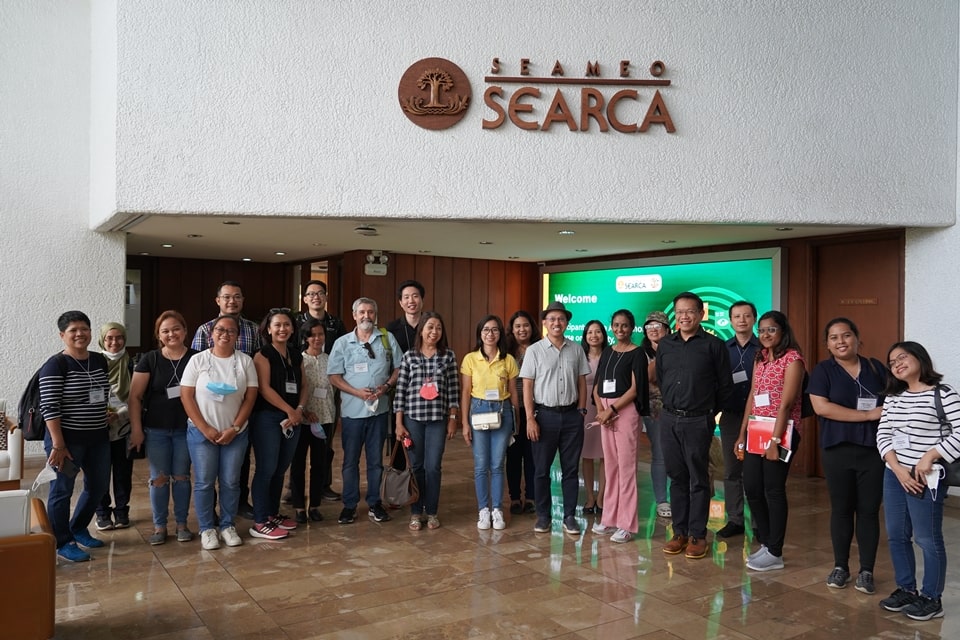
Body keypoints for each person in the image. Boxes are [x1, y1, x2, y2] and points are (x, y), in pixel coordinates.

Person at [876, 341, 960, 621]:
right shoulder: (894, 397)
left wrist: (930, 457)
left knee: (927, 538)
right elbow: (883, 434)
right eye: (892, 361)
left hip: (928, 476)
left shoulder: (943, 394)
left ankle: (931, 599)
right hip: (896, 474)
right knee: (897, 536)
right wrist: (897, 468)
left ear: (919, 358)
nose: (897, 363)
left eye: (903, 357)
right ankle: (907, 590)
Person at [808, 318, 886, 593]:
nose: (841, 341)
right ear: (827, 344)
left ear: (857, 338)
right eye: (833, 337)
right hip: (837, 449)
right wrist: (866, 415)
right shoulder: (822, 371)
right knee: (841, 510)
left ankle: (867, 570)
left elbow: (894, 401)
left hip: (873, 452)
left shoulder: (876, 368)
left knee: (868, 511)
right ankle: (841, 566)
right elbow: (822, 407)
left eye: (846, 335)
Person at [657, 292, 732, 560]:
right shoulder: (666, 344)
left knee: (699, 479)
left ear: (701, 314)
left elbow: (725, 386)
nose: (684, 316)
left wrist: (709, 415)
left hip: (698, 420)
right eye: (679, 312)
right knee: (676, 477)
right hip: (669, 418)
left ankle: (698, 535)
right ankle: (679, 532)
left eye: (690, 311)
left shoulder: (714, 346)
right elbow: (663, 377)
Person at [180, 315, 258, 550]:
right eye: (220, 330)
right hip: (201, 434)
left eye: (231, 331)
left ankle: (227, 525)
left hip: (235, 433)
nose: (225, 334)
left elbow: (250, 397)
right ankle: (206, 528)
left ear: (238, 335)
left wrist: (234, 428)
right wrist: (205, 429)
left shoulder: (245, 361)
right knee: (204, 482)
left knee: (231, 482)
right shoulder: (198, 360)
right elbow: (186, 396)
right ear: (211, 333)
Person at [735, 311, 804, 572]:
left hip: (781, 431)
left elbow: (786, 404)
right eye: (762, 330)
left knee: (773, 489)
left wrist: (775, 440)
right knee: (752, 486)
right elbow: (753, 395)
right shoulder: (760, 358)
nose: (765, 335)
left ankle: (775, 551)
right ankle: (765, 542)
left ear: (783, 331)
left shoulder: (793, 360)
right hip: (757, 429)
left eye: (771, 330)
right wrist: (742, 433)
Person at [40, 310, 112, 562]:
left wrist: (108, 412)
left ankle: (78, 528)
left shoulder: (99, 360)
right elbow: (50, 407)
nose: (80, 334)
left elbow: (103, 393)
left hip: (98, 438)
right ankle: (62, 541)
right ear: (62, 335)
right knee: (62, 490)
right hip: (67, 441)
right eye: (73, 330)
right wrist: (58, 444)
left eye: (84, 329)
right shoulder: (55, 365)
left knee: (98, 486)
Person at [327, 297, 403, 525]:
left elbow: (399, 367)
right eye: (362, 312)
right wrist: (356, 392)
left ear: (375, 314)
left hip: (379, 412)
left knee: (375, 462)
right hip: (352, 413)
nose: (366, 316)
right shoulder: (342, 343)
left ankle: (374, 503)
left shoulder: (387, 339)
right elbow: (333, 376)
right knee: (350, 461)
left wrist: (387, 386)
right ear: (354, 315)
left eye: (370, 312)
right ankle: (349, 506)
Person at [191, 280, 262, 519]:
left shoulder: (253, 329)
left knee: (239, 465)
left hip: (240, 405)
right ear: (218, 300)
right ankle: (208, 515)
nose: (232, 301)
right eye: (227, 297)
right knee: (206, 472)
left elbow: (256, 365)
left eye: (237, 297)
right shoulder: (205, 329)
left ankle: (239, 504)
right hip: (207, 410)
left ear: (243, 300)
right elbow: (196, 369)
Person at [520, 301, 591, 536]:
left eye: (561, 319)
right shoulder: (534, 351)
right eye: (552, 319)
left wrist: (581, 411)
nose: (556, 323)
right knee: (541, 470)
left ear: (567, 322)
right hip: (544, 416)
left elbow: (582, 381)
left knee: (571, 470)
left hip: (571, 416)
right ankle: (543, 516)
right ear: (544, 323)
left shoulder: (576, 349)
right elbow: (527, 386)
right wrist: (530, 418)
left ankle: (569, 516)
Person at [128, 310, 198, 545]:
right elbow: (135, 397)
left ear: (185, 331)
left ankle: (181, 524)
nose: (172, 334)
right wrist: (137, 430)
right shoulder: (151, 359)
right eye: (165, 331)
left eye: (176, 329)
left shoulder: (197, 357)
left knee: (181, 477)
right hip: (156, 430)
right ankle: (159, 526)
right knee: (158, 478)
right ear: (159, 335)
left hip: (186, 429)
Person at [249, 309, 311, 540]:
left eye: (286, 325)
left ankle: (272, 514)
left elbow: (304, 386)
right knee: (266, 469)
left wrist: (300, 410)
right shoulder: (261, 355)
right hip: (268, 417)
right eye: (277, 325)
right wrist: (289, 410)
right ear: (268, 329)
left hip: (293, 418)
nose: (282, 329)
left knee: (279, 469)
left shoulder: (297, 355)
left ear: (293, 328)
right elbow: (264, 388)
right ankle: (260, 520)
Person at [394, 312, 460, 530]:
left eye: (438, 328)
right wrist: (398, 423)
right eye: (430, 327)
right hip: (413, 420)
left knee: (433, 467)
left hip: (437, 421)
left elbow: (453, 390)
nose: (434, 332)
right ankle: (415, 511)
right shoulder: (409, 357)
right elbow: (400, 391)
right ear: (421, 330)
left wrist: (452, 418)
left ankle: (431, 512)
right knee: (417, 467)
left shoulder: (448, 356)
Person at [591, 310, 649, 543]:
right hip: (604, 411)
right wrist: (600, 411)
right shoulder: (607, 351)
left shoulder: (637, 354)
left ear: (631, 328)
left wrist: (611, 411)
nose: (620, 329)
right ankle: (609, 518)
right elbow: (596, 387)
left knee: (626, 469)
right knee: (611, 467)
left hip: (624, 412)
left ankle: (626, 525)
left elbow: (635, 389)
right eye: (616, 325)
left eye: (624, 326)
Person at [461, 315, 519, 531]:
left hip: (502, 412)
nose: (490, 334)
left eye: (495, 330)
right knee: (480, 465)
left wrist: (516, 423)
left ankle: (497, 509)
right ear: (480, 333)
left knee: (497, 465)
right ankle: (483, 510)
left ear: (500, 334)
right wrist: (464, 424)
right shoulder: (470, 359)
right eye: (486, 330)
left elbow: (514, 393)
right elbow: (466, 392)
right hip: (478, 411)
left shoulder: (508, 360)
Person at [296, 279, 347, 502]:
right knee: (297, 448)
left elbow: (344, 350)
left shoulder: (336, 323)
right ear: (305, 298)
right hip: (301, 387)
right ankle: (294, 489)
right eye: (311, 294)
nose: (316, 297)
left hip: (329, 389)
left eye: (320, 293)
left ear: (326, 297)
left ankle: (323, 485)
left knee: (325, 445)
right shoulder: (296, 321)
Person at [716, 301, 760, 539]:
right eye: (736, 316)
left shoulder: (764, 348)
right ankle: (735, 520)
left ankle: (758, 523)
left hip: (760, 417)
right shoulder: (722, 349)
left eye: (746, 316)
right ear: (730, 321)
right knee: (732, 470)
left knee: (756, 472)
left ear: (754, 318)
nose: (742, 320)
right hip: (732, 416)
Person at [292, 317, 336, 523]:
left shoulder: (331, 358)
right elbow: (298, 390)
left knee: (319, 464)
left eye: (320, 334)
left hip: (325, 417)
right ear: (305, 338)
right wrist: (304, 411)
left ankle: (315, 505)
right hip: (303, 419)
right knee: (298, 463)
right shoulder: (299, 359)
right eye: (313, 335)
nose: (317, 338)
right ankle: (299, 507)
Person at [94, 322, 136, 532]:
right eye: (109, 338)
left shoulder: (133, 363)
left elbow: (139, 398)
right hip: (97, 426)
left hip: (124, 426)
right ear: (102, 339)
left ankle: (122, 511)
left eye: (119, 337)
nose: (114, 342)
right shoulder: (93, 363)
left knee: (122, 472)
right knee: (99, 472)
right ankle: (102, 512)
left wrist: (119, 414)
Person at [640, 311, 671, 518]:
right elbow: (647, 377)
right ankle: (662, 500)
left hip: (679, 409)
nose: (653, 328)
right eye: (649, 325)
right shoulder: (640, 353)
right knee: (659, 455)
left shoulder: (678, 348)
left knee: (678, 456)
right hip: (654, 412)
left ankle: (680, 496)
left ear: (667, 329)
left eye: (657, 325)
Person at [506, 310, 537, 515]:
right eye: (517, 326)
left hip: (535, 410)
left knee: (532, 456)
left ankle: (532, 497)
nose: (522, 329)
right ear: (512, 329)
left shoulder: (540, 348)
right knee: (513, 456)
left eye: (525, 325)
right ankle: (515, 498)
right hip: (511, 410)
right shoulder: (506, 352)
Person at [580, 320, 607, 514]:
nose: (594, 335)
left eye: (598, 332)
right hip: (585, 409)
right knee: (587, 455)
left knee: (605, 455)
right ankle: (590, 497)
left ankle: (602, 498)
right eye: (590, 332)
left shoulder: (610, 355)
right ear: (585, 335)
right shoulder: (580, 356)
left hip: (605, 407)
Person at [386, 279, 426, 354]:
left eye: (415, 296)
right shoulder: (391, 328)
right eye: (406, 297)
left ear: (422, 300)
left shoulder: (432, 325)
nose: (411, 301)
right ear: (401, 303)